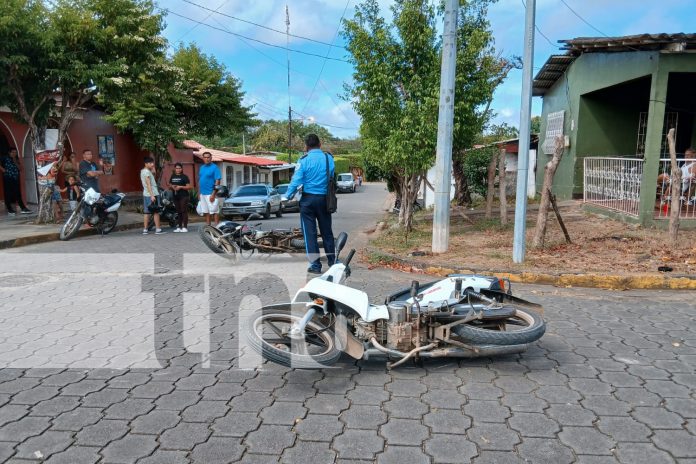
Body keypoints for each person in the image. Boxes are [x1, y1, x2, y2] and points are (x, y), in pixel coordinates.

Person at [285, 133, 336, 274]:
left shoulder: (303, 160)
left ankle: (315, 266)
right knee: (327, 232)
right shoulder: (328, 158)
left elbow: (296, 180)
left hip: (308, 201)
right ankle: (332, 263)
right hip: (325, 200)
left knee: (310, 234)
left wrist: (288, 195)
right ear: (320, 145)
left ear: (306, 147)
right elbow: (331, 175)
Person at [0, 147, 32, 215]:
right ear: (9, 152)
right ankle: (9, 209)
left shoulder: (16, 159)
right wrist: (3, 170)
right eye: (13, 152)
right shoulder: (5, 158)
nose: (14, 154)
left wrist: (15, 161)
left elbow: (20, 168)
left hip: (15, 178)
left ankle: (23, 208)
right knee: (8, 194)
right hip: (8, 178)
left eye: (15, 152)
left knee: (18, 194)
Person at [141, 157, 165, 235]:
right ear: (146, 164)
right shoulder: (147, 172)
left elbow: (151, 180)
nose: (152, 164)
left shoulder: (143, 171)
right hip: (152, 193)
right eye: (151, 163)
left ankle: (145, 229)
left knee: (146, 212)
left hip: (146, 194)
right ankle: (158, 229)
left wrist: (153, 171)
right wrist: (152, 195)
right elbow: (148, 184)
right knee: (156, 212)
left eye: (153, 163)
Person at [198, 151, 221, 225]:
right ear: (203, 158)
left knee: (215, 211)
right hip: (203, 194)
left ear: (211, 158)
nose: (207, 159)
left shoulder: (214, 167)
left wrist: (213, 194)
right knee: (206, 212)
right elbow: (200, 180)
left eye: (208, 157)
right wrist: (199, 193)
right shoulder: (202, 167)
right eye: (205, 157)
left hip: (210, 193)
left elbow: (217, 181)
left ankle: (217, 228)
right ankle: (209, 227)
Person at [168, 162, 191, 232]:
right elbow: (169, 185)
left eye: (179, 168)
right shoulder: (172, 176)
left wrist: (180, 187)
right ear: (175, 169)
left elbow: (189, 187)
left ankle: (185, 227)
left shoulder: (184, 176)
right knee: (178, 211)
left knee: (183, 211)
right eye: (176, 168)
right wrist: (172, 187)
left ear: (181, 169)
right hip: (175, 196)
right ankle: (179, 226)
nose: (178, 169)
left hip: (184, 196)